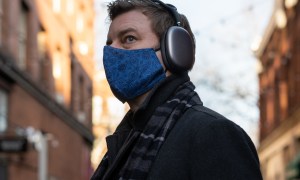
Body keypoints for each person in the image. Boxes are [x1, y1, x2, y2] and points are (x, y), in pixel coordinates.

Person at [91, 0, 263, 179]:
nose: (110, 51)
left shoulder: (214, 134)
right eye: (109, 43)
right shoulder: (123, 143)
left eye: (129, 38)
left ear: (174, 50)